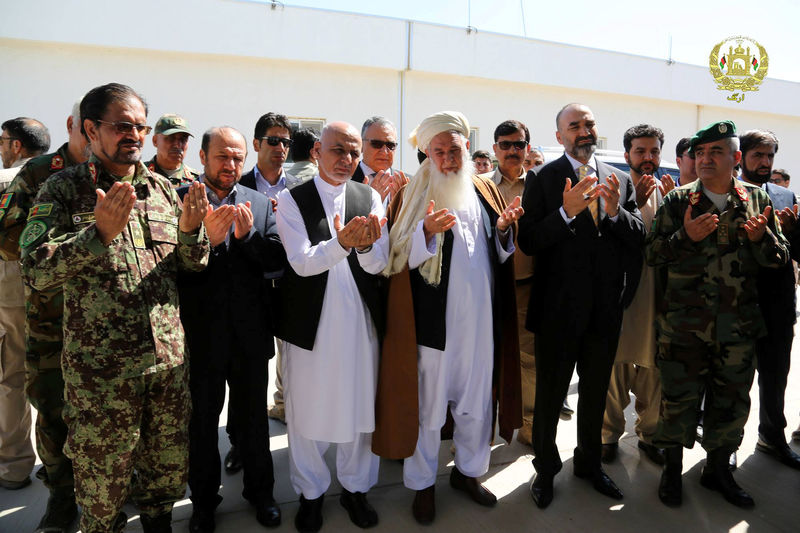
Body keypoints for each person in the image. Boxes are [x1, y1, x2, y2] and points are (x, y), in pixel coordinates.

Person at [20, 82, 210, 533]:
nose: (135, 135)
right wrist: (97, 235)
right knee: (102, 490)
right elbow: (34, 270)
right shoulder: (61, 190)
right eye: (122, 126)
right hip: (103, 377)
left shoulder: (163, 189)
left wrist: (191, 230)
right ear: (90, 128)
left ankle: (159, 521)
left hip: (166, 366)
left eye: (140, 126)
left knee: (165, 474)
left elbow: (193, 263)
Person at [373, 111, 522, 525]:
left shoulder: (484, 189)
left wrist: (507, 231)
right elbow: (395, 258)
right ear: (427, 153)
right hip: (431, 330)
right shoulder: (411, 193)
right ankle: (422, 486)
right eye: (438, 151)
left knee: (476, 406)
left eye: (454, 149)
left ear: (465, 148)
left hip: (480, 325)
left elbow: (498, 251)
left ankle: (470, 475)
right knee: (428, 411)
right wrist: (425, 232)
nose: (447, 158)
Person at [645, 120, 788, 509]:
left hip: (738, 328)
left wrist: (764, 239)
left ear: (735, 158)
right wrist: (683, 237)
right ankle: (671, 472)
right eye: (700, 153)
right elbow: (652, 254)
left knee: (731, 405)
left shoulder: (758, 201)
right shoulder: (679, 201)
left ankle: (718, 471)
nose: (705, 159)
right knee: (677, 403)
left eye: (716, 152)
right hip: (684, 328)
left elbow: (781, 260)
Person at [519, 103, 645, 509]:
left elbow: (637, 235)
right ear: (559, 136)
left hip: (604, 313)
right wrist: (565, 212)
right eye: (574, 126)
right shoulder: (541, 177)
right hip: (557, 313)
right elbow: (529, 241)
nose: (583, 130)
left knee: (593, 396)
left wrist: (613, 213)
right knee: (551, 398)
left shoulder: (619, 179)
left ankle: (589, 465)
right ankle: (546, 469)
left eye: (588, 123)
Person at [275, 121, 388, 533]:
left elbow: (380, 263)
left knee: (358, 407)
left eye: (354, 153)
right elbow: (302, 263)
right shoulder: (292, 200)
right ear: (316, 152)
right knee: (307, 412)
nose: (346, 160)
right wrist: (342, 243)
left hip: (359, 321)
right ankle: (311, 494)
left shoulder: (368, 196)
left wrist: (364, 248)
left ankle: (356, 488)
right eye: (338, 150)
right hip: (311, 324)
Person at [179, 127, 285, 532]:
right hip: (201, 337)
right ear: (203, 156)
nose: (231, 165)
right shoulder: (181, 201)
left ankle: (262, 495)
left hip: (249, 336)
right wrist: (202, 238)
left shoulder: (258, 203)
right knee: (202, 426)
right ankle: (204, 503)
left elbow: (275, 259)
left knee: (254, 423)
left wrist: (246, 237)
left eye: (238, 157)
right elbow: (169, 266)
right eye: (223, 156)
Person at [0, 100, 89, 531]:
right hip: (50, 315)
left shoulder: (122, 172)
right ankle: (61, 497)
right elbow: (6, 233)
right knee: (52, 409)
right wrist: (57, 255)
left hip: (107, 321)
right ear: (73, 125)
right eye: (87, 129)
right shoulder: (37, 172)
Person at [601, 124, 673, 466]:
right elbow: (602, 238)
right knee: (614, 369)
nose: (648, 158)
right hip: (621, 297)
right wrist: (634, 204)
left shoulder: (670, 193)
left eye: (654, 151)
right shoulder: (613, 187)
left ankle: (650, 435)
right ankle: (607, 436)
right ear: (627, 153)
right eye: (640, 151)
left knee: (654, 370)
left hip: (657, 298)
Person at [737, 129, 800, 469]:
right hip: (739, 304)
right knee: (735, 381)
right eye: (758, 155)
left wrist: (793, 234)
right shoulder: (726, 192)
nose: (764, 162)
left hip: (777, 306)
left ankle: (771, 437)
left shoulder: (785, 196)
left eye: (770, 155)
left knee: (775, 378)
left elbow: (797, 253)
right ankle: (727, 445)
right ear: (741, 156)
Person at [0, 116, 49, 494]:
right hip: (56, 291)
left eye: (3, 141)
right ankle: (57, 462)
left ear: (17, 146)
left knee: (12, 377)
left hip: (12, 294)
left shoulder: (5, 182)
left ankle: (16, 465)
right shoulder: (65, 178)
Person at [480, 119, 536, 447]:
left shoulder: (540, 185)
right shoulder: (480, 185)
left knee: (528, 361)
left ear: (527, 148)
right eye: (506, 144)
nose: (513, 150)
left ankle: (528, 425)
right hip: (487, 289)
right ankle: (478, 433)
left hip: (528, 287)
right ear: (495, 147)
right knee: (485, 362)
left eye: (519, 144)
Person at [240, 112, 300, 202]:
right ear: (256, 144)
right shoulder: (237, 186)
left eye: (285, 142)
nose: (281, 148)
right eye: (273, 141)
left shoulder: (299, 188)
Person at [352, 116, 409, 203]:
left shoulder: (410, 184)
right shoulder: (343, 180)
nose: (384, 151)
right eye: (376, 144)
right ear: (361, 145)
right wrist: (370, 203)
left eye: (390, 145)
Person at [144, 113, 199, 188]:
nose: (177, 145)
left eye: (183, 139)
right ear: (155, 141)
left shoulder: (197, 181)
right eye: (170, 138)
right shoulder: (139, 173)